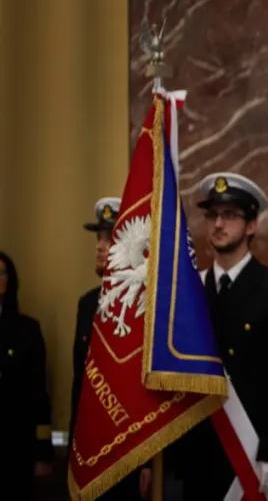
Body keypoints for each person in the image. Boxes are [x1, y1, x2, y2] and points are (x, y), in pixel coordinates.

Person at [175, 172, 268, 500]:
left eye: (230, 215)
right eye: (212, 215)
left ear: (251, 225)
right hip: (195, 451)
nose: (218, 224)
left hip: (249, 449)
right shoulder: (190, 289)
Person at [70, 197, 150, 499]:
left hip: (131, 453)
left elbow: (148, 392)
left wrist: (148, 460)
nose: (100, 247)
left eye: (110, 238)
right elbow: (80, 384)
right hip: (91, 448)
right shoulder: (87, 303)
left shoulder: (146, 304)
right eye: (99, 238)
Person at [0, 251, 54, 498]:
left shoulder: (27, 330)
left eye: (2, 273)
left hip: (16, 447)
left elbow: (38, 393)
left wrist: (42, 452)